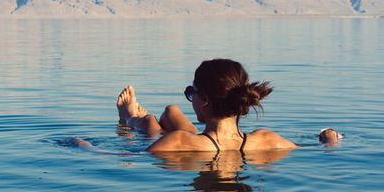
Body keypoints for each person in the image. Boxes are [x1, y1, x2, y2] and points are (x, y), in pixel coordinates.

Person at [116, 58, 340, 153]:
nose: (190, 98)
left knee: (153, 124)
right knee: (171, 111)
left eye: (191, 92)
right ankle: (141, 118)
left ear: (204, 100)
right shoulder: (266, 139)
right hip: (213, 141)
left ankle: (130, 118)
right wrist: (328, 135)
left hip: (200, 142)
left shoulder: (177, 141)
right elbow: (322, 148)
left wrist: (81, 143)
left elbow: (119, 155)